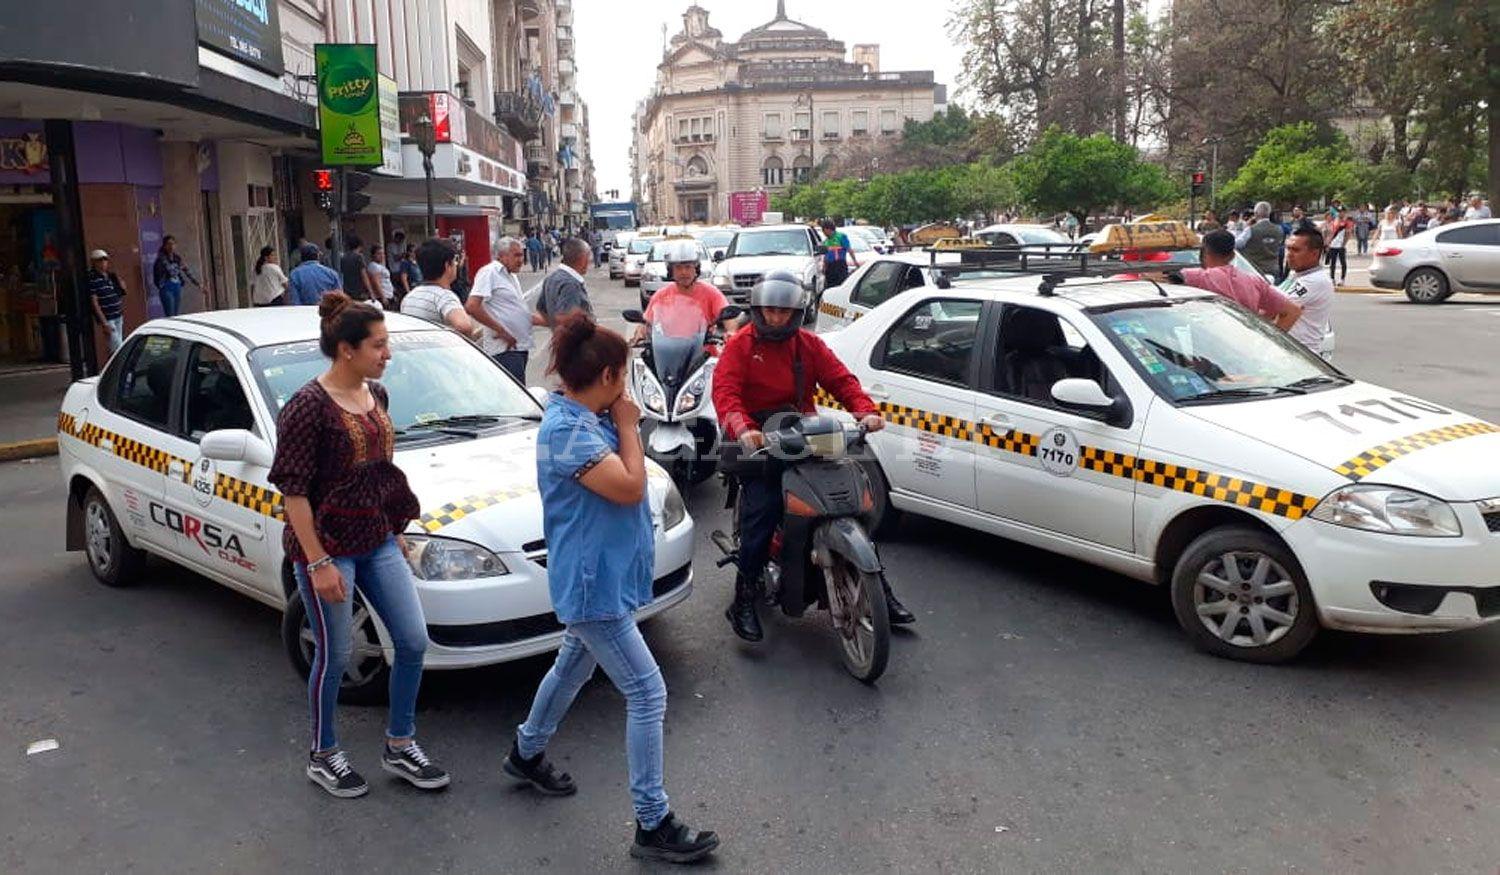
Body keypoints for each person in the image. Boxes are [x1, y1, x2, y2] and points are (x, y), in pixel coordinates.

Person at [505, 316, 720, 864]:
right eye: (621, 379)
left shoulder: (584, 415)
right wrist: (628, 426)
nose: (625, 391)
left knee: (572, 666)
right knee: (648, 693)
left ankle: (526, 752)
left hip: (603, 577)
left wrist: (620, 421)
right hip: (591, 585)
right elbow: (627, 486)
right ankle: (653, 822)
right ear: (603, 376)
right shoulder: (569, 430)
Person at [267, 292, 449, 799]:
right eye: (378, 345)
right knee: (337, 653)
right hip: (328, 550)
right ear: (346, 349)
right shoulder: (306, 408)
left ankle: (400, 742)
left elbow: (382, 473)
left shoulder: (377, 396)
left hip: (376, 541)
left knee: (412, 641)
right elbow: (294, 493)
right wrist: (318, 561)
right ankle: (323, 754)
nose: (387, 354)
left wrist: (395, 529)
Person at [711, 271, 914, 642]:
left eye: (784, 313)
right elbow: (726, 394)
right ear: (758, 309)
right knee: (764, 511)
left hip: (803, 432)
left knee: (852, 500)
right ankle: (742, 599)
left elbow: (841, 380)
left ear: (797, 313)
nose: (776, 318)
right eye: (770, 311)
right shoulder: (740, 346)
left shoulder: (808, 344)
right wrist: (742, 429)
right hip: (758, 438)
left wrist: (863, 411)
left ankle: (878, 588)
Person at [1152, 231, 1301, 330]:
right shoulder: (1254, 281)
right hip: (1248, 351)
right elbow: (1292, 311)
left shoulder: (1199, 277)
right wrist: (1268, 341)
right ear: (1232, 255)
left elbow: (1159, 280)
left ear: (1204, 252)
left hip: (1212, 352)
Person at [466, 236, 538, 381]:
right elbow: (472, 306)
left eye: (522, 254)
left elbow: (516, 311)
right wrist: (502, 331)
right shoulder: (490, 272)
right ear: (502, 256)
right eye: (516, 255)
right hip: (503, 351)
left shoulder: (511, 276)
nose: (521, 259)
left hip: (519, 348)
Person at [633, 239, 729, 343]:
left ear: (696, 269)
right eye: (678, 268)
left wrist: (731, 331)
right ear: (671, 271)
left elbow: (728, 314)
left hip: (704, 351)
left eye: (688, 267)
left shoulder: (711, 292)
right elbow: (647, 321)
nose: (683, 272)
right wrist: (640, 332)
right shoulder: (661, 295)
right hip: (667, 350)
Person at [1278, 226, 1336, 358]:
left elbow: (1278, 309)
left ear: (1314, 254)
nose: (1289, 254)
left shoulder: (1315, 281)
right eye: (1288, 248)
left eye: (1296, 250)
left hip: (1298, 356)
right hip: (1285, 353)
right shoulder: (1296, 275)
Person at [399, 238, 475, 335]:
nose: (456, 265)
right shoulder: (444, 297)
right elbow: (465, 327)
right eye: (455, 260)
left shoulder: (409, 297)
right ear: (447, 265)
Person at [535, 237, 594, 328]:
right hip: (577, 340)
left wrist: (555, 328)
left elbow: (542, 309)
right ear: (583, 258)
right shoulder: (571, 284)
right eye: (589, 256)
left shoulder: (551, 278)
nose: (590, 260)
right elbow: (565, 318)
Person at [86, 249, 128, 354]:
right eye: (100, 260)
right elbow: (94, 302)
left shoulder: (110, 276)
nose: (103, 263)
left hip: (118, 314)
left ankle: (112, 366)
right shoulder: (92, 279)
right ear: (94, 262)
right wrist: (104, 322)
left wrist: (120, 282)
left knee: (115, 347)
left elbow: (122, 292)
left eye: (105, 260)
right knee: (118, 347)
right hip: (108, 318)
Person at [152, 235, 200, 317]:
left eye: (173, 244)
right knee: (170, 315)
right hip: (167, 288)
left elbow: (187, 272)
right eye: (168, 244)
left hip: (176, 287)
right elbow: (169, 272)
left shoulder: (177, 258)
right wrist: (179, 267)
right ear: (164, 246)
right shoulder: (161, 259)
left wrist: (198, 284)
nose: (171, 246)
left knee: (176, 314)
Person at [1234, 201, 1285, 278]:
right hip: (1273, 270)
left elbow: (1236, 244)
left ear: (1256, 213)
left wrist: (1243, 228)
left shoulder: (1250, 229)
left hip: (1254, 271)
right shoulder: (1279, 229)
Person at [818, 219, 859, 289]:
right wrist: (824, 266)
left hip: (840, 266)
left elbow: (849, 249)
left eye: (824, 231)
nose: (823, 233)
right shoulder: (825, 241)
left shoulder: (841, 237)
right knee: (830, 287)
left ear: (828, 229)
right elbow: (825, 256)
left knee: (841, 286)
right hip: (829, 267)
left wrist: (855, 261)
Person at [340, 236, 377, 302]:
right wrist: (371, 292)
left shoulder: (343, 258)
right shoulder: (359, 257)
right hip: (359, 291)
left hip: (347, 290)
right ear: (359, 246)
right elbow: (364, 275)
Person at [1323, 211, 1353, 286]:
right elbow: (1330, 233)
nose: (1341, 214)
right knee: (1332, 263)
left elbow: (1348, 233)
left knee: (1343, 263)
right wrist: (1328, 244)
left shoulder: (1346, 222)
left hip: (1341, 245)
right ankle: (1332, 278)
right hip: (1333, 245)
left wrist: (1344, 244)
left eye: (1342, 212)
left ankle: (1342, 279)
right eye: (1339, 212)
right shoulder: (1333, 222)